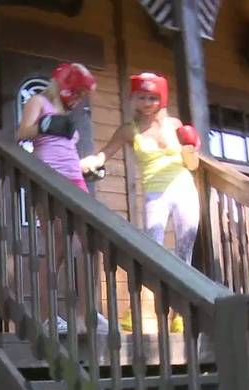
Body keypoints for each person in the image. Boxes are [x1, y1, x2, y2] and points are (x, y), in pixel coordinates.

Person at [81, 72, 201, 333]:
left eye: (152, 98)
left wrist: (191, 147)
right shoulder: (129, 129)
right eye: (142, 97)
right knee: (151, 252)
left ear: (162, 99)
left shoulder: (174, 125)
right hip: (155, 194)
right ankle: (137, 311)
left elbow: (192, 165)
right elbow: (104, 154)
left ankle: (180, 314)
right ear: (133, 99)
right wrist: (87, 162)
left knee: (185, 252)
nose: (147, 103)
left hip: (183, 188)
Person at [17, 63, 107, 335]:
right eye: (77, 92)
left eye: (82, 95)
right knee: (58, 246)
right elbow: (22, 133)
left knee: (91, 244)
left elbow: (65, 148)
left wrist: (86, 167)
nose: (78, 98)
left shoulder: (68, 113)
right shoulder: (39, 101)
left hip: (74, 178)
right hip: (49, 177)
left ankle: (88, 313)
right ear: (65, 84)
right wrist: (46, 124)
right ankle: (48, 316)